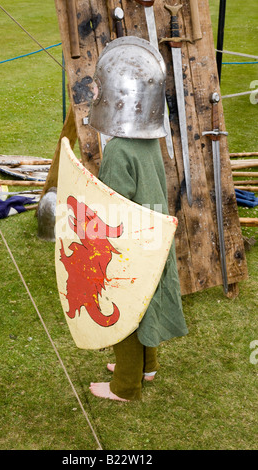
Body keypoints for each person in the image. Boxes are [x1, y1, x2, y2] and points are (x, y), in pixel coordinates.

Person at [88, 37, 188, 401]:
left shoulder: (118, 151)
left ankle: (126, 384)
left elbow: (113, 210)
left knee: (126, 307)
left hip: (130, 242)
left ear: (116, 97)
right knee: (148, 298)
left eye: (98, 87)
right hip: (152, 236)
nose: (94, 92)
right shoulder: (148, 141)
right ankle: (147, 366)